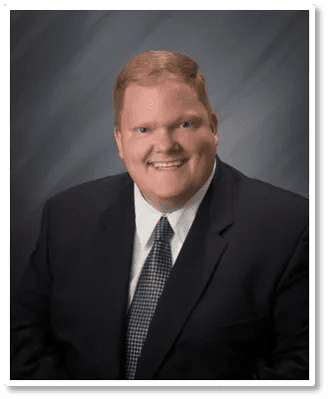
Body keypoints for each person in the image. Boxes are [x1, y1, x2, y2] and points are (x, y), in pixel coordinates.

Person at [11, 50, 309, 380]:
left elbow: (301, 369)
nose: (164, 145)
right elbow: (22, 340)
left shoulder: (290, 229)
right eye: (143, 129)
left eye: (184, 124)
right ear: (119, 141)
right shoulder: (67, 216)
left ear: (213, 127)